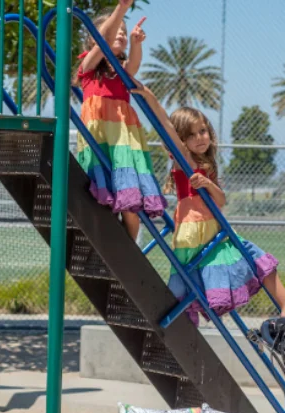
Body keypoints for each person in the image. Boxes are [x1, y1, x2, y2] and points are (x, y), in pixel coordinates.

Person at [131, 83, 285, 326]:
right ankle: (182, 323)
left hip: (213, 229)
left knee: (252, 258)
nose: (200, 138)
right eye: (192, 134)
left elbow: (220, 201)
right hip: (195, 231)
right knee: (190, 280)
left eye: (203, 131)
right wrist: (149, 96)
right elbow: (166, 125)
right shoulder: (184, 159)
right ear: (181, 141)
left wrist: (208, 183)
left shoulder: (205, 164)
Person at [76, 0, 166, 239]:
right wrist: (121, 9)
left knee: (130, 203)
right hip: (101, 137)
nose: (121, 34)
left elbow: (134, 66)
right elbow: (103, 42)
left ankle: (128, 249)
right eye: (115, 30)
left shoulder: (121, 71)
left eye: (124, 33)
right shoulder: (88, 66)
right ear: (94, 39)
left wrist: (136, 44)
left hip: (123, 140)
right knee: (101, 197)